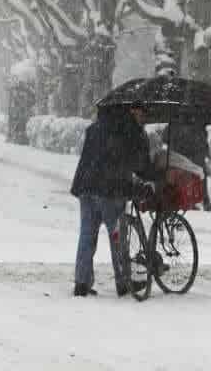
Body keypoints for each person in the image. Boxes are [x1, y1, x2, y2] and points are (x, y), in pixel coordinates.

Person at [69, 104, 156, 297]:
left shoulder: (96, 127)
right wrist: (154, 177)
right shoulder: (129, 130)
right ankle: (124, 281)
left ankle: (81, 283)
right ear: (133, 111)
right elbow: (139, 164)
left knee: (86, 235)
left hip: (86, 187)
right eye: (143, 114)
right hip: (110, 190)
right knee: (117, 235)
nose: (144, 119)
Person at [166, 120, 211, 211]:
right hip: (192, 153)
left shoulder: (177, 120)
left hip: (190, 153)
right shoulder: (192, 120)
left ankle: (196, 202)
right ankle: (201, 202)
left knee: (194, 178)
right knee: (197, 177)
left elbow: (167, 138)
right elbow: (202, 136)